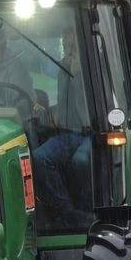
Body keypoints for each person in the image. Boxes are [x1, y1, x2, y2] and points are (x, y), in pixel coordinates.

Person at [31, 41, 91, 226]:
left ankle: (90, 210)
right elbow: (64, 102)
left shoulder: (92, 67)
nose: (69, 49)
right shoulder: (62, 69)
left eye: (73, 43)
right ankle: (67, 212)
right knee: (40, 157)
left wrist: (79, 74)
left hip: (92, 131)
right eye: (66, 44)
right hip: (67, 133)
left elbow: (89, 105)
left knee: (81, 160)